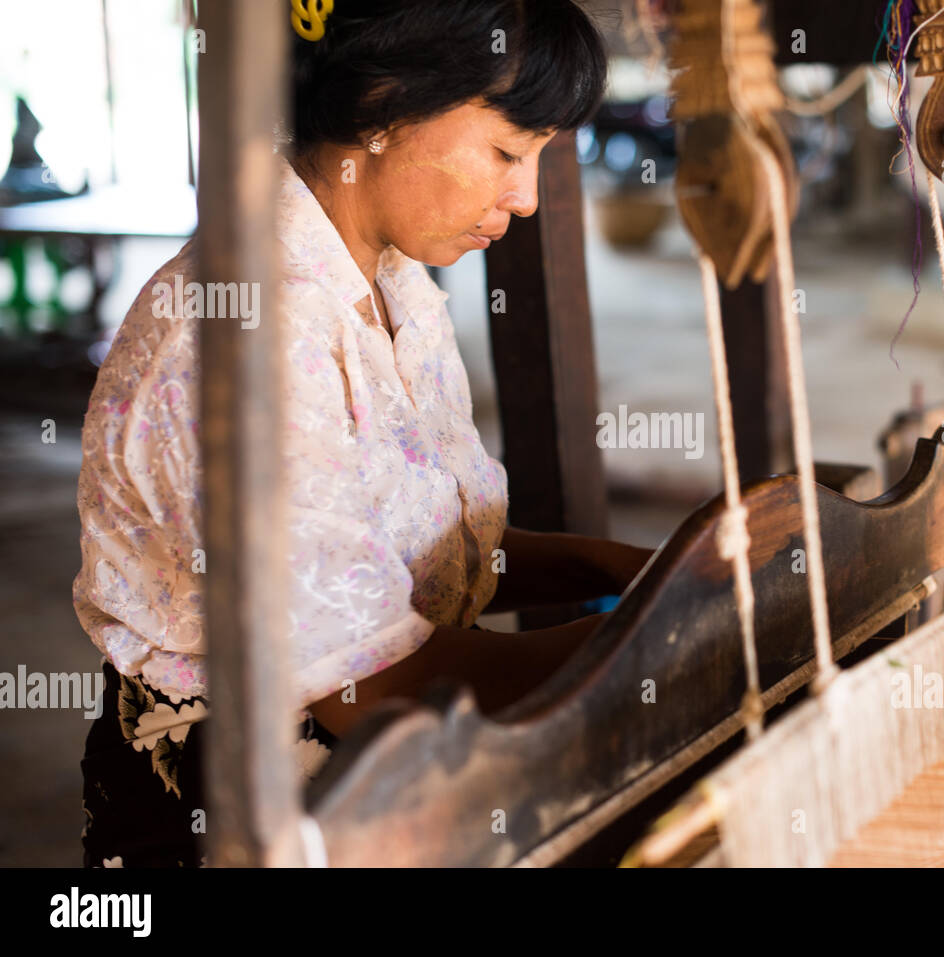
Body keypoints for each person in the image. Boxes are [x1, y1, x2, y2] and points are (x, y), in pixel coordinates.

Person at [75, 0, 651, 867]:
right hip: (242, 811)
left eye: (539, 159)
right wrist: (664, 643)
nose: (526, 197)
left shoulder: (390, 284)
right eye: (506, 151)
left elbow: (424, 551)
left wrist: (620, 569)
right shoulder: (240, 339)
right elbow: (369, 680)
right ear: (384, 105)